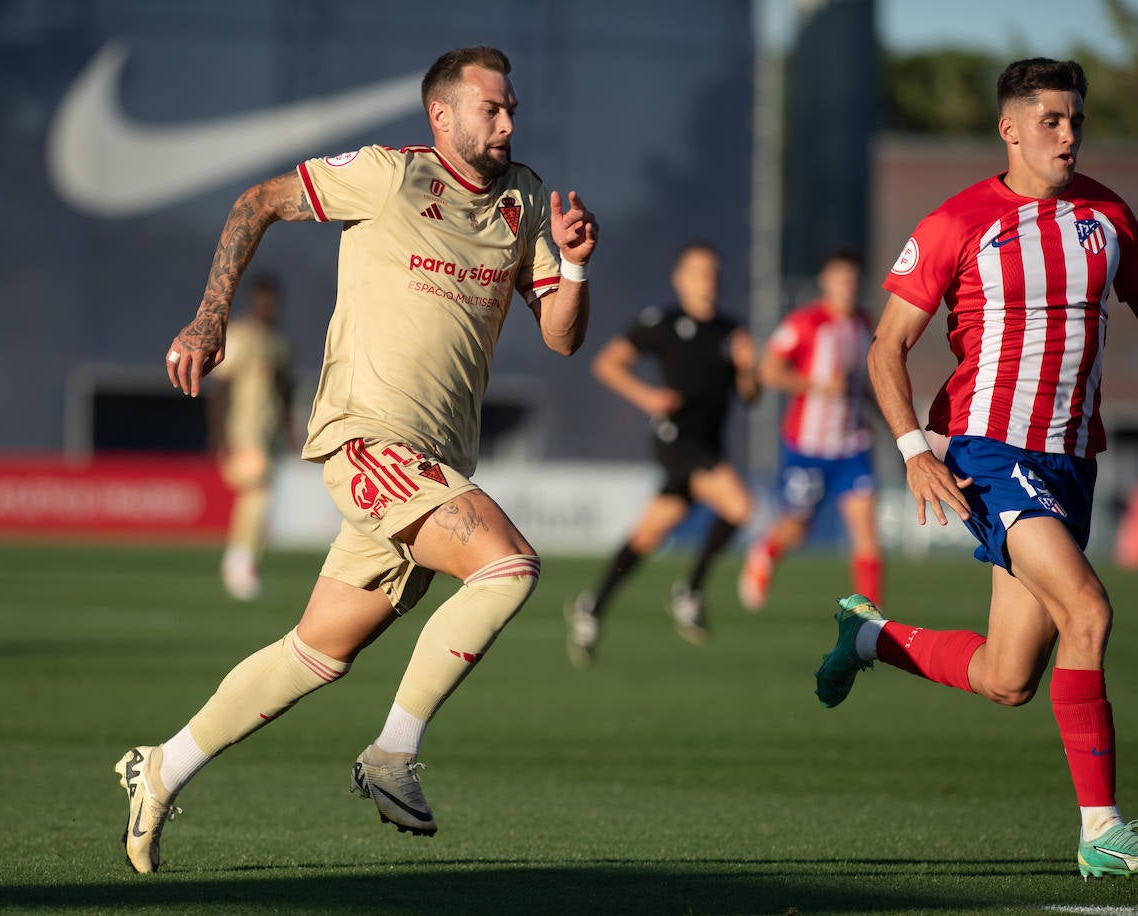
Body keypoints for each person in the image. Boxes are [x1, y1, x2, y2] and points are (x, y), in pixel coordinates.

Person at [114, 46, 598, 873]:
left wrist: (577, 264)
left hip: (435, 462)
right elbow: (256, 201)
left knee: (317, 653)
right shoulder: (387, 175)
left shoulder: (525, 199)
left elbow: (561, 337)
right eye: (493, 108)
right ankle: (393, 753)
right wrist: (209, 317)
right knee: (509, 568)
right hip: (368, 439)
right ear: (441, 116)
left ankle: (162, 767)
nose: (509, 122)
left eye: (512, 107)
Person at [814, 58, 1138, 879]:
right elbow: (887, 347)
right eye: (1051, 121)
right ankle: (1101, 830)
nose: (1068, 136)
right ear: (1011, 128)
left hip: (1071, 463)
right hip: (989, 454)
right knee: (1089, 613)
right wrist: (915, 450)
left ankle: (869, 637)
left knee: (1006, 679)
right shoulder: (959, 223)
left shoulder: (1108, 218)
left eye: (1075, 121)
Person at [565, 242, 757, 662]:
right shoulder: (664, 323)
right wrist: (647, 397)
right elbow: (608, 363)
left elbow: (751, 397)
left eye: (714, 272)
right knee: (740, 505)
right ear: (680, 279)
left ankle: (592, 606)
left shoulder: (731, 331)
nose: (709, 280)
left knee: (649, 534)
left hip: (708, 444)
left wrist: (747, 367)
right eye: (700, 271)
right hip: (676, 440)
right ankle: (689, 591)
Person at [738, 249, 882, 611]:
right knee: (797, 528)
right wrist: (816, 386)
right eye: (839, 279)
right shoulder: (804, 323)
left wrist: (893, 425)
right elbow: (768, 371)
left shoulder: (864, 324)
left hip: (852, 445)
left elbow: (867, 385)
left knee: (866, 530)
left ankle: (871, 618)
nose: (846, 287)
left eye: (852, 280)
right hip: (808, 446)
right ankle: (765, 552)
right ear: (825, 282)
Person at [205, 274, 293, 601]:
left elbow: (285, 389)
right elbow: (222, 388)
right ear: (254, 301)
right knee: (258, 493)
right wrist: (219, 434)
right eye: (263, 300)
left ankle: (244, 559)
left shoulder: (278, 342)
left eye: (273, 301)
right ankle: (239, 563)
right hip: (243, 430)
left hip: (268, 433)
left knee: (259, 497)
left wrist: (288, 430)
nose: (269, 307)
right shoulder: (240, 336)